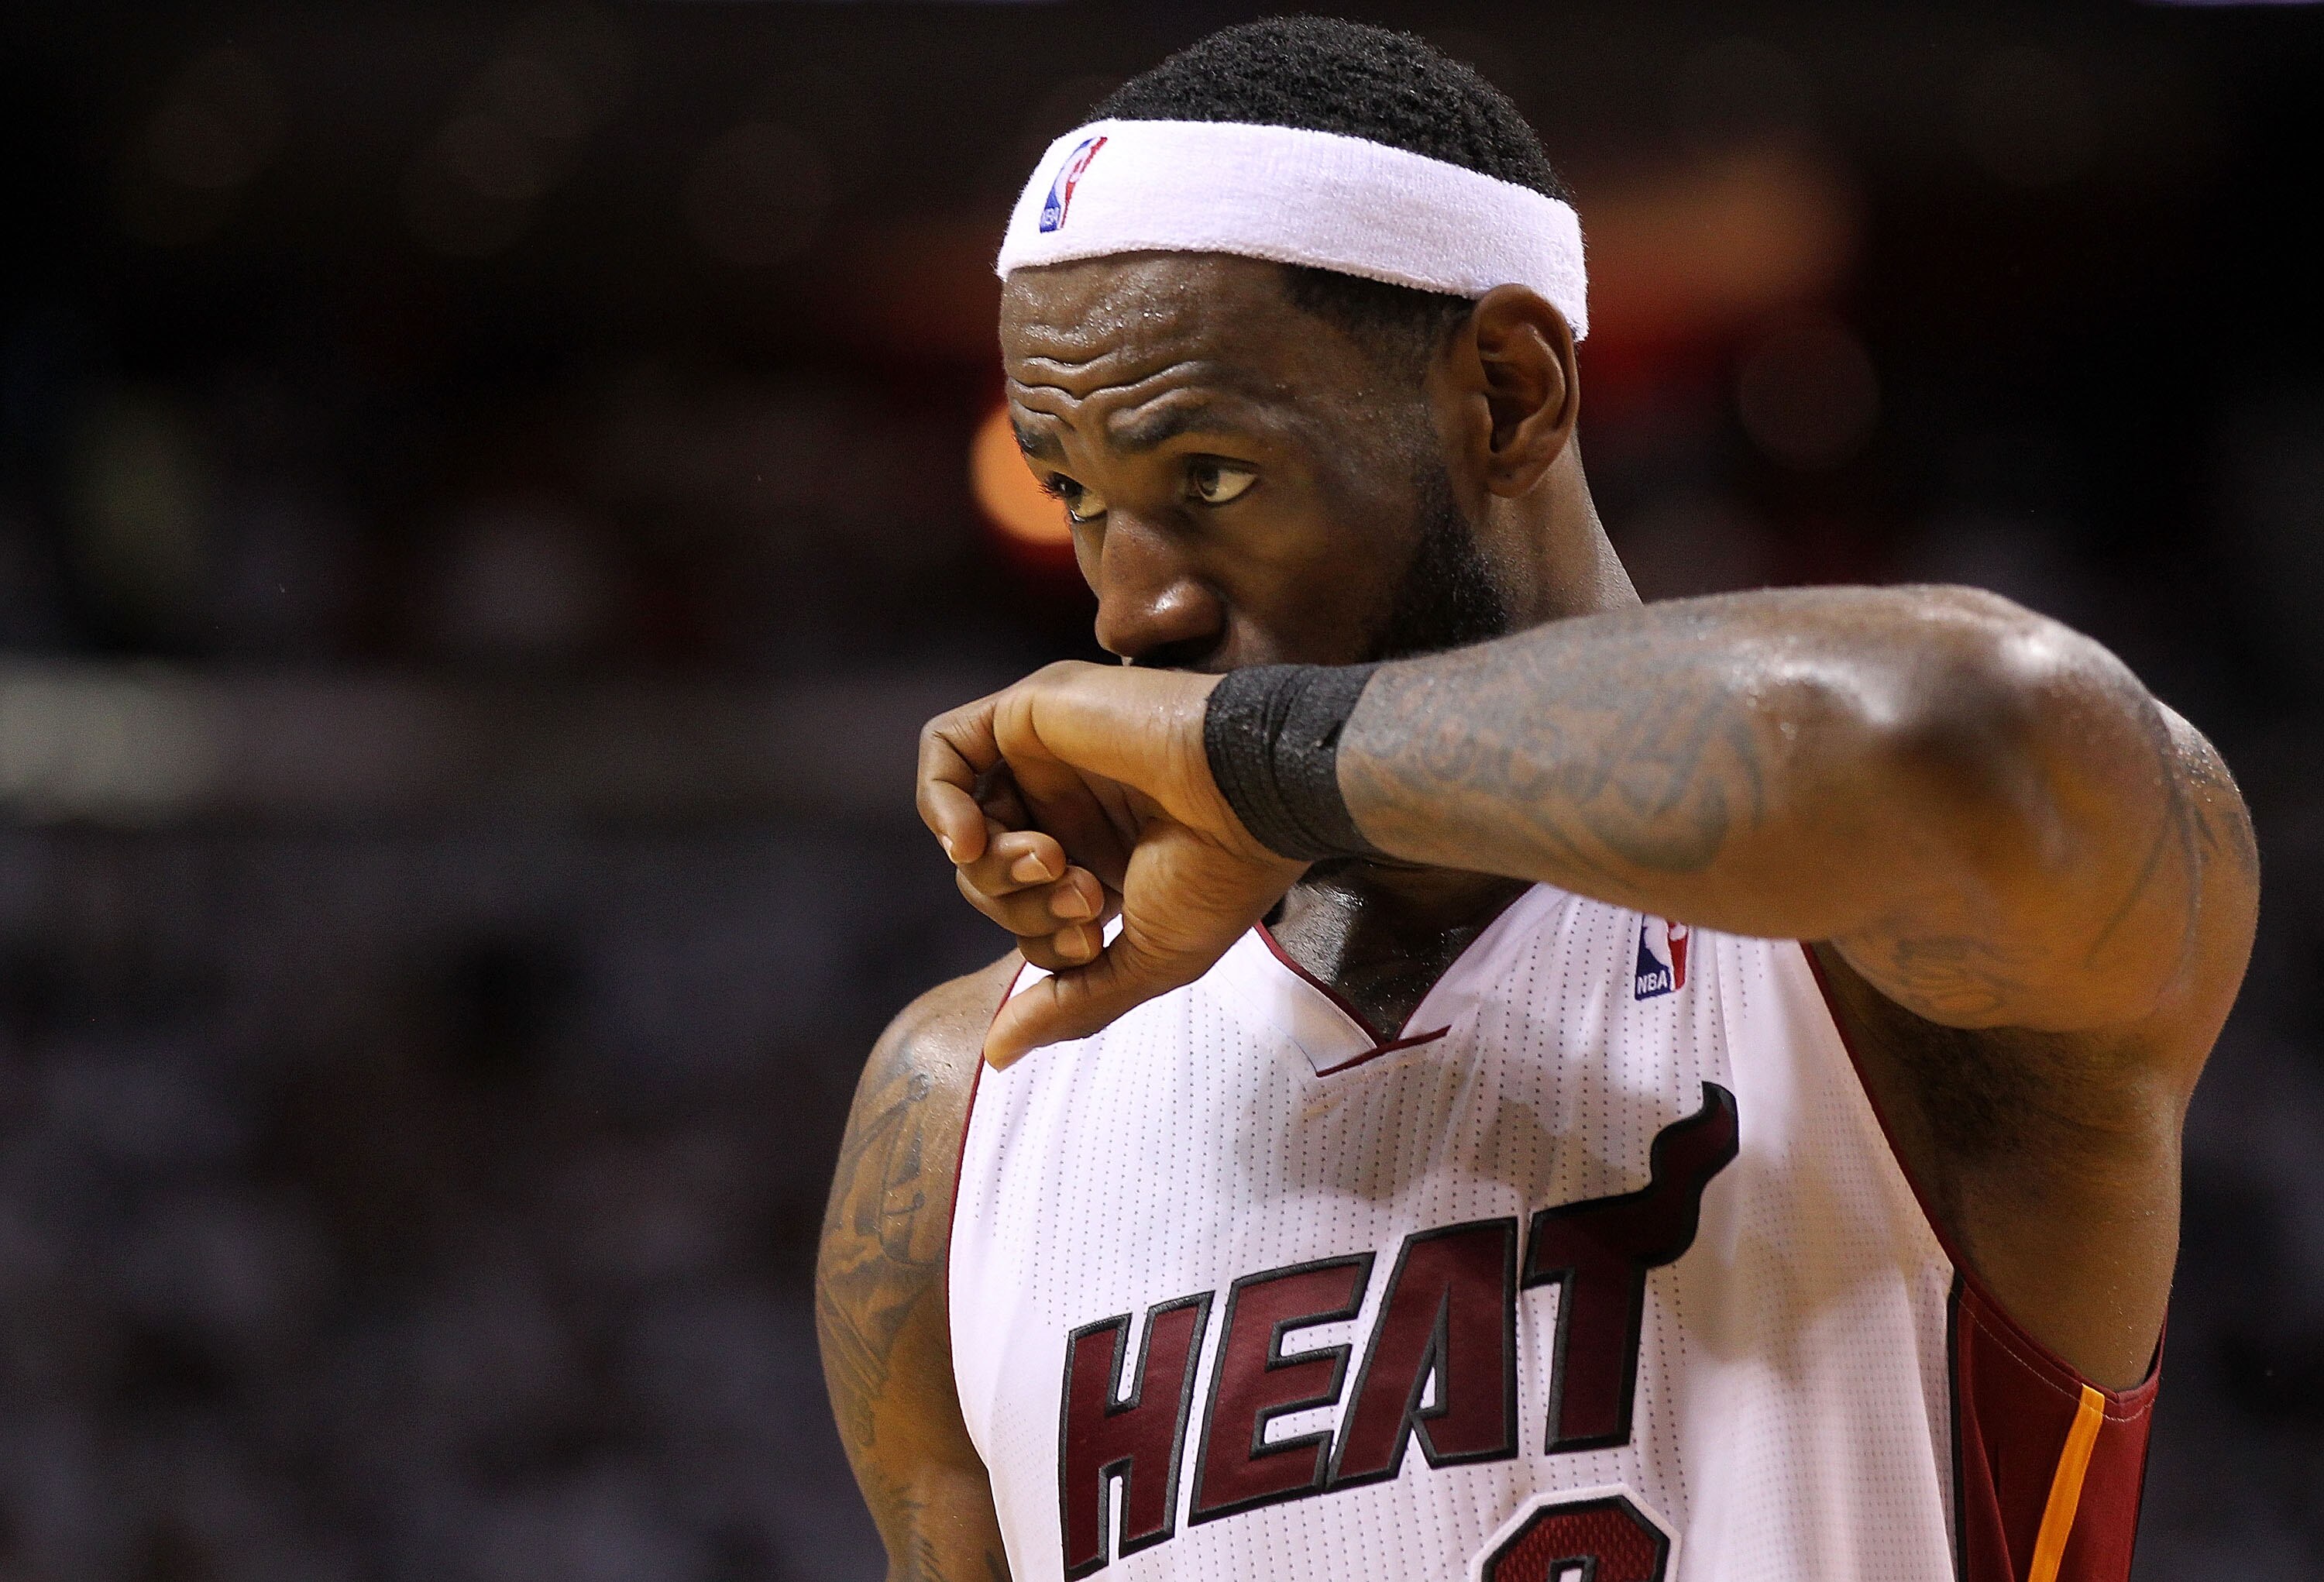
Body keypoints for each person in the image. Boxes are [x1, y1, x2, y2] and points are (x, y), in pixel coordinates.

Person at [817, 19, 2257, 1582]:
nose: (1130, 614)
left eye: (1211, 479)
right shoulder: (969, 1105)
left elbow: (1978, 732)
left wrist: (1261, 758)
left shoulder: (1865, 963)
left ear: (1509, 392)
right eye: (1079, 499)